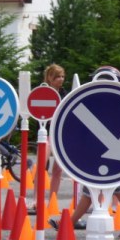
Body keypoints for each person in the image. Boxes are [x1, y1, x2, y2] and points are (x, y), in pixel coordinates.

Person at [47, 66, 120, 239]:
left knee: (92, 192)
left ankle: (67, 225)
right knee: (114, 191)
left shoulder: (107, 104)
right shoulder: (118, 103)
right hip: (112, 156)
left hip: (106, 156)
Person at [44, 64, 71, 207]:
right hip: (45, 134)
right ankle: (36, 199)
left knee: (58, 169)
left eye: (62, 76)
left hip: (60, 135)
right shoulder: (43, 92)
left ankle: (52, 201)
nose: (61, 79)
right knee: (41, 166)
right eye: (57, 77)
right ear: (50, 78)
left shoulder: (65, 94)